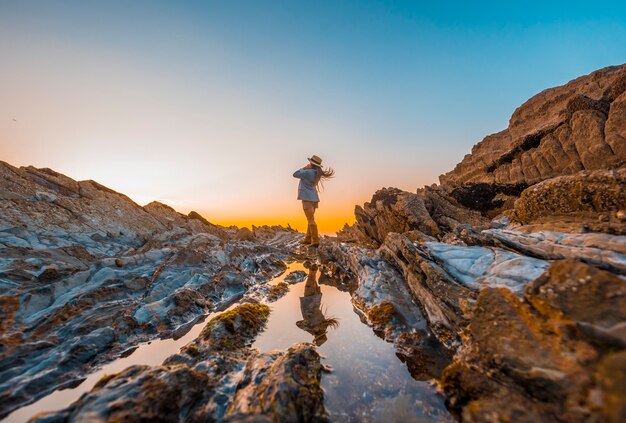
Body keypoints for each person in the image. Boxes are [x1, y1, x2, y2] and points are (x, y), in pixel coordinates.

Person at [292, 155, 335, 247]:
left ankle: (315, 241)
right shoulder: (317, 173)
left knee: (311, 219)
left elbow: (295, 174)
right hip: (314, 198)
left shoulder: (307, 172)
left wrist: (304, 168)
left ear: (312, 163)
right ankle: (308, 239)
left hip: (307, 198)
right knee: (310, 219)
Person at [296, 264, 339, 346]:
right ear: (318, 336)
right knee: (312, 275)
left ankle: (313, 261)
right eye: (315, 337)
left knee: (312, 276)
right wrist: (310, 331)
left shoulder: (323, 325)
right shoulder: (312, 326)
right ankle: (313, 260)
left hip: (316, 299)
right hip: (309, 299)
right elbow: (298, 324)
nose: (314, 336)